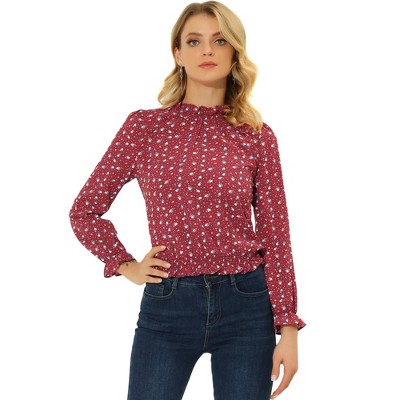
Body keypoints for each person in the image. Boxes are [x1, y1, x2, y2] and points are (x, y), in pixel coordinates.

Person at [69, 2, 306, 399]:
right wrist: (125, 265)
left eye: (220, 41)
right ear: (177, 53)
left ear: (235, 52)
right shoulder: (145, 128)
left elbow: (275, 235)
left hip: (247, 305)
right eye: (194, 41)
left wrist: (288, 326)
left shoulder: (256, 135)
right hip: (168, 302)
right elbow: (84, 211)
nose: (207, 50)